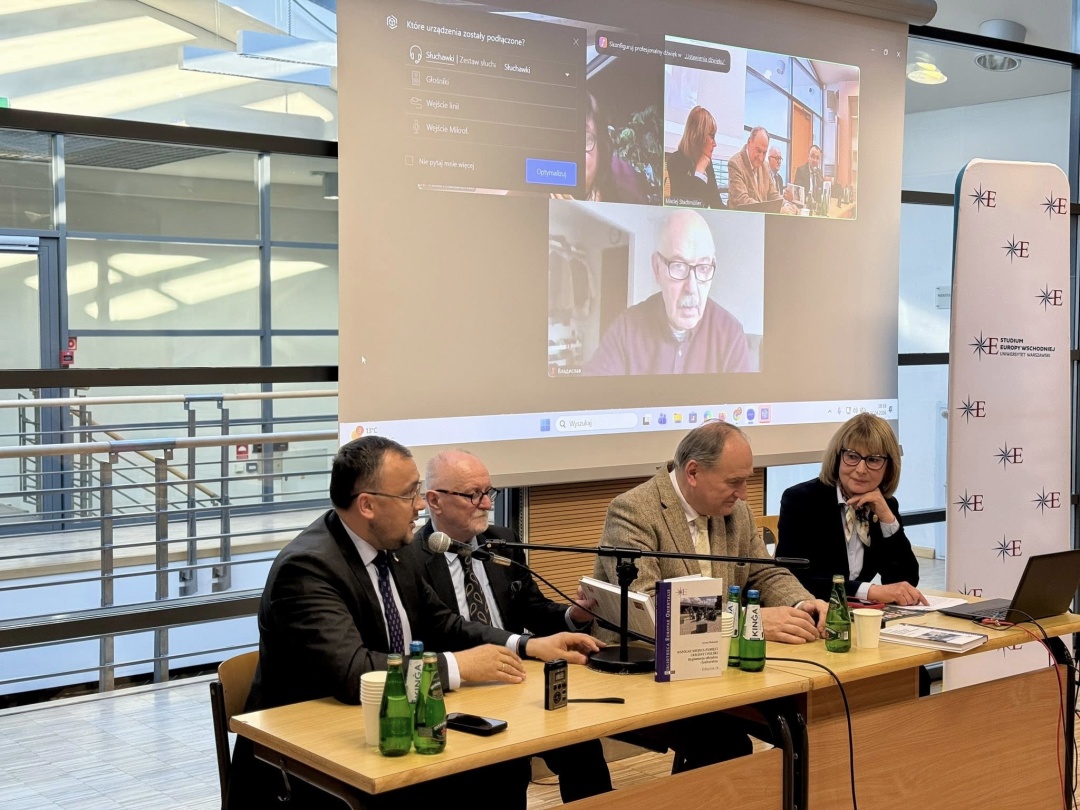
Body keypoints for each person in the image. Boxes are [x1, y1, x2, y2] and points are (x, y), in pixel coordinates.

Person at [229, 436, 601, 809]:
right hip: (309, 762)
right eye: (410, 494)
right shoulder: (308, 568)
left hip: (388, 726)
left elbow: (443, 622)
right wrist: (458, 666)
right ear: (368, 505)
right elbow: (353, 672)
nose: (420, 505)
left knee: (500, 765)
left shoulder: (394, 547)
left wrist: (525, 644)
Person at [592, 421, 828, 771]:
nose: (743, 493)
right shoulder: (633, 511)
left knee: (812, 722)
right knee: (726, 744)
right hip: (647, 667)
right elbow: (649, 609)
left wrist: (802, 602)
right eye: (734, 482)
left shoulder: (735, 511)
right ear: (693, 473)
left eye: (746, 480)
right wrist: (748, 620)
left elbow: (763, 572)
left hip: (718, 664)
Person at [398, 449, 614, 803]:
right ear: (434, 501)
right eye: (473, 495)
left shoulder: (502, 541)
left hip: (517, 675)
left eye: (489, 492)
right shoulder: (409, 558)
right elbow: (437, 631)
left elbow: (533, 608)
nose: (486, 504)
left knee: (583, 745)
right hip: (461, 688)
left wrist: (573, 616)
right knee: (504, 775)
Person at [775, 413, 925, 606]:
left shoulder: (885, 506)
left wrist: (887, 519)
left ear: (888, 467)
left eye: (873, 460)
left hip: (857, 613)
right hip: (812, 612)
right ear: (838, 458)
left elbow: (905, 582)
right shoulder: (801, 500)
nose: (861, 469)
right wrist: (869, 591)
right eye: (852, 457)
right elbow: (794, 580)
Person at [582, 208, 751, 376]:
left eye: (703, 268)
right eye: (678, 266)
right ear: (657, 268)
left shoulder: (731, 336)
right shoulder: (626, 328)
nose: (691, 288)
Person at [665, 105, 723, 208]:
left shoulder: (707, 162)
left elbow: (716, 204)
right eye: (711, 136)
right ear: (698, 136)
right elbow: (688, 205)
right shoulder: (675, 161)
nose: (715, 144)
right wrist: (699, 171)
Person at [726, 126, 793, 211]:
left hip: (761, 218)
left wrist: (786, 205)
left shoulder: (765, 165)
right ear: (749, 143)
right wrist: (778, 210)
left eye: (764, 152)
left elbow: (773, 194)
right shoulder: (735, 164)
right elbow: (743, 201)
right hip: (741, 217)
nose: (761, 158)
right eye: (758, 151)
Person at [793, 144, 825, 208]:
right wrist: (809, 200)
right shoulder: (801, 171)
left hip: (816, 208)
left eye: (817, 158)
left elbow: (821, 192)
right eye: (812, 156)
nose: (815, 160)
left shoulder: (819, 173)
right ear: (808, 157)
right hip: (804, 207)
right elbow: (798, 194)